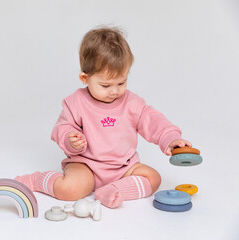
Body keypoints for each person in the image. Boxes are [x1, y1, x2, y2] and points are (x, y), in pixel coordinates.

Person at [15, 26, 192, 208]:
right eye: (106, 85)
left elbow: (153, 121)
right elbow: (62, 128)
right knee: (70, 189)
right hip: (86, 166)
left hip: (124, 167)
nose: (115, 91)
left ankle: (113, 190)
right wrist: (71, 140)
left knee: (153, 178)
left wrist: (170, 138)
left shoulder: (132, 103)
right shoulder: (76, 102)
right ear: (85, 78)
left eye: (121, 82)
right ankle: (37, 181)